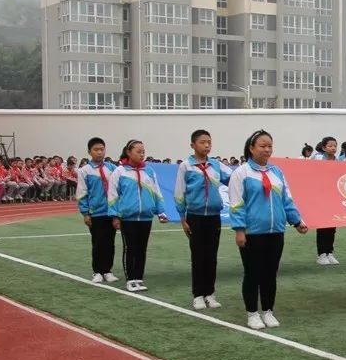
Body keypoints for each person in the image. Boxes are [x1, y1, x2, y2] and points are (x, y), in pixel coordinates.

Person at [228, 130, 309, 330]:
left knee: (270, 274)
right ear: (251, 148)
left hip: (276, 232)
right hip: (252, 233)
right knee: (252, 273)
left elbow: (286, 199)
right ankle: (252, 313)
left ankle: (268, 311)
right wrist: (240, 230)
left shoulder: (276, 172)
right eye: (262, 146)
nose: (267, 149)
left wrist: (297, 221)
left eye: (269, 146)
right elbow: (236, 204)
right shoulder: (241, 173)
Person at [175, 129, 232, 310]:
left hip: (214, 217)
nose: (207, 145)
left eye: (209, 142)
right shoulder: (186, 166)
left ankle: (210, 293)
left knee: (211, 257)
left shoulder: (216, 165)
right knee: (198, 256)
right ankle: (198, 294)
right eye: (202, 142)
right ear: (193, 145)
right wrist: (183, 218)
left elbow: (234, 179)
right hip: (195, 217)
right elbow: (179, 193)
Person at [108, 140, 169, 292]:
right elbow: (112, 195)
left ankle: (139, 278)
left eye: (143, 151)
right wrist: (115, 216)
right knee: (130, 248)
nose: (142, 154)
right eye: (138, 151)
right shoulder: (120, 171)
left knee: (142, 248)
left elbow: (157, 192)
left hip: (146, 217)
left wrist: (160, 211)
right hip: (128, 217)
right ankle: (130, 279)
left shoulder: (149, 171)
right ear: (128, 152)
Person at [76, 138, 119, 282]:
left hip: (111, 212)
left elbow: (117, 189)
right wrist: (85, 213)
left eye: (102, 149)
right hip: (96, 212)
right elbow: (82, 192)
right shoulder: (84, 171)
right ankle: (97, 271)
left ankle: (108, 270)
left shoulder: (112, 168)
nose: (99, 152)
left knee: (110, 242)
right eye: (96, 149)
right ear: (89, 152)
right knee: (98, 242)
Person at [312, 137, 340, 265]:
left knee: (332, 227)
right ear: (324, 148)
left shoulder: (339, 161)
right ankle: (321, 254)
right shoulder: (316, 159)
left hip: (333, 198)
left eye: (335, 146)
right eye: (330, 146)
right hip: (320, 197)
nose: (333, 148)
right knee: (322, 227)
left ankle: (329, 252)